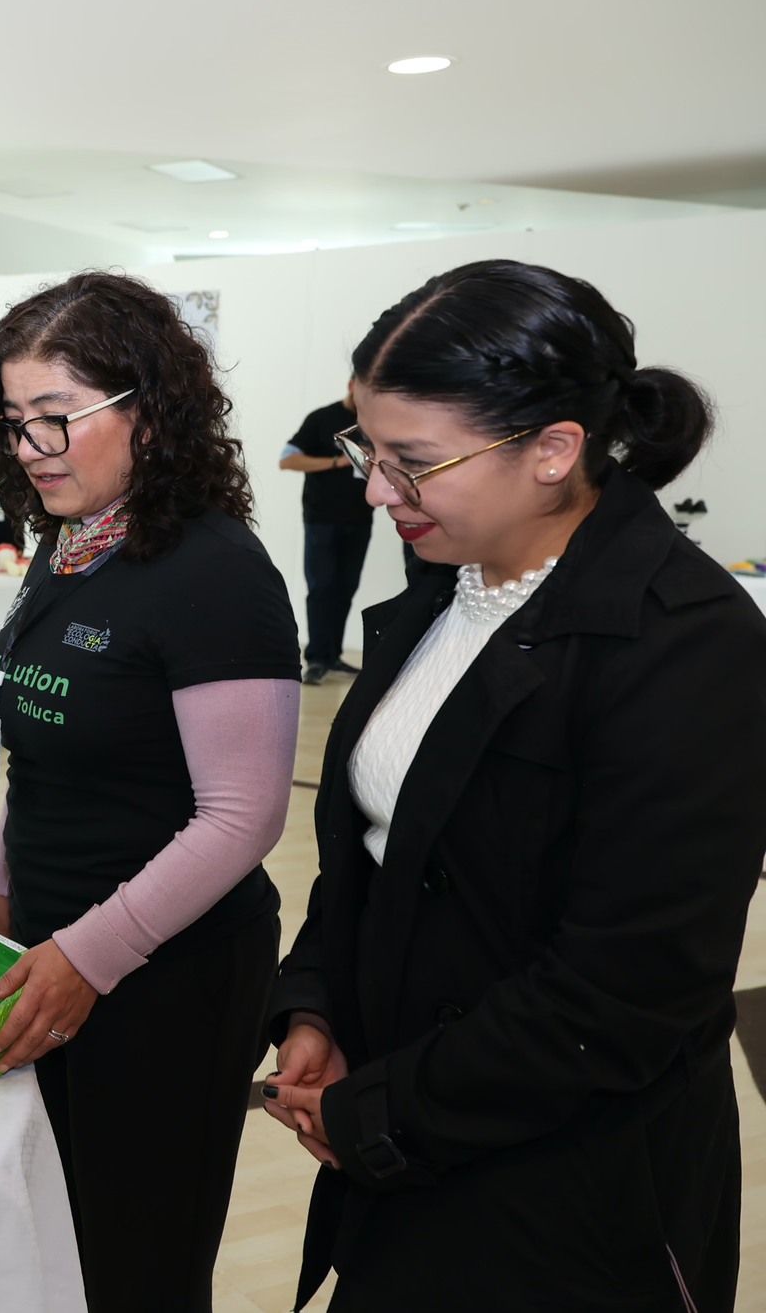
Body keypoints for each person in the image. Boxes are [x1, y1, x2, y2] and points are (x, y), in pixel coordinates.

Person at [263, 260, 766, 1312]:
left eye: (410, 462)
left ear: (551, 451)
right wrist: (314, 1001)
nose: (370, 491)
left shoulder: (684, 644)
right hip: (407, 1136)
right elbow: (379, 844)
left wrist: (378, 1111)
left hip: (566, 1190)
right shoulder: (443, 590)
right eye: (365, 449)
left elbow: (627, 987)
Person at [0, 271, 300, 1311]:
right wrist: (2, 888)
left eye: (57, 420)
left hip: (165, 976)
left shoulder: (213, 572)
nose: (30, 449)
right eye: (14, 422)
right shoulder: (73, 545)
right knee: (55, 1243)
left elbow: (242, 818)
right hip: (53, 947)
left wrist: (86, 957)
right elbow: (42, 747)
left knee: (135, 1266)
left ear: (147, 412)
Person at [281, 380, 373, 683]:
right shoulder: (321, 419)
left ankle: (333, 655)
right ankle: (317, 659)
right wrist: (337, 462)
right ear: (351, 385)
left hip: (360, 519)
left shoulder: (374, 422)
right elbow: (287, 459)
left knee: (345, 589)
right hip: (321, 519)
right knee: (322, 589)